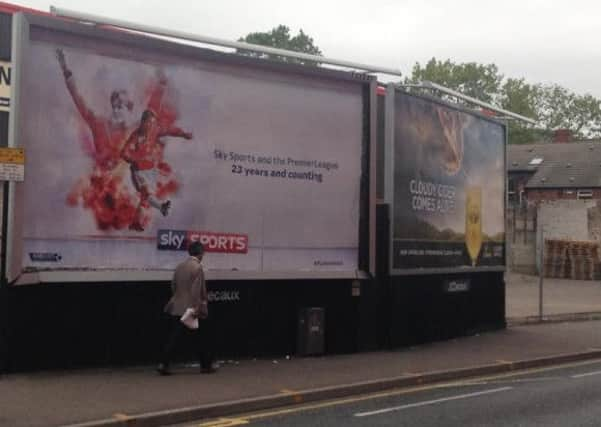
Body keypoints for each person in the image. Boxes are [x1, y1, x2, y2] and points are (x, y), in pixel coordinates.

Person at [121, 109, 193, 231]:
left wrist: (183, 134)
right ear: (142, 122)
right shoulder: (136, 135)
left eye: (152, 123)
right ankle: (161, 207)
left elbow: (170, 130)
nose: (150, 126)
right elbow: (123, 152)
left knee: (145, 199)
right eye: (148, 123)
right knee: (147, 193)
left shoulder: (155, 130)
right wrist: (134, 160)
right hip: (138, 171)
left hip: (151, 170)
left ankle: (135, 222)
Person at [157, 241, 216, 375]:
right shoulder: (198, 268)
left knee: (177, 336)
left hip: (177, 306)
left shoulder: (180, 266)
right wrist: (196, 308)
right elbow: (197, 290)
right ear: (201, 253)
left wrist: (178, 299)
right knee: (199, 337)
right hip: (191, 309)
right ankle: (205, 365)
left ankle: (164, 364)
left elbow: (173, 286)